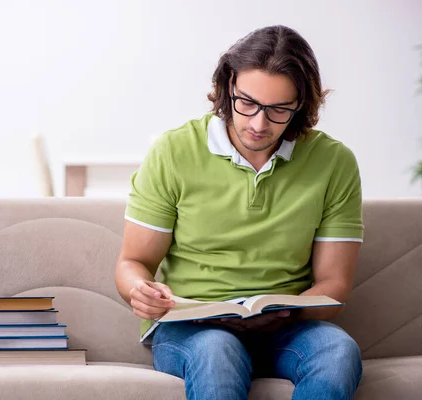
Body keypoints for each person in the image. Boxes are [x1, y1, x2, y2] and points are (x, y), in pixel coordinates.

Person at [115, 25, 364, 400]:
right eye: (246, 103)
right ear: (227, 86)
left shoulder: (334, 162)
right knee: (218, 351)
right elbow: (133, 262)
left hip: (286, 328)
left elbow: (334, 287)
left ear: (301, 105)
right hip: (192, 327)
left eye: (279, 110)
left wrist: (287, 315)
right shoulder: (173, 151)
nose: (258, 124)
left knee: (338, 351)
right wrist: (140, 291)